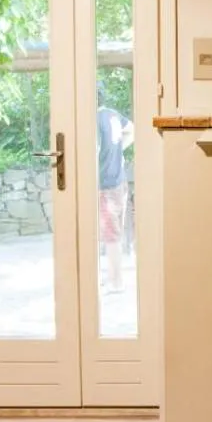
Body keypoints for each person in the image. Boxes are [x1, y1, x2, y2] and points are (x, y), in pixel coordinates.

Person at [97, 96, 135, 291]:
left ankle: (115, 281)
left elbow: (91, 152)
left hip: (104, 183)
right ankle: (111, 277)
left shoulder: (94, 120)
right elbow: (132, 130)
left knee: (110, 235)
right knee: (113, 233)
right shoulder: (112, 114)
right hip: (119, 181)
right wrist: (118, 150)